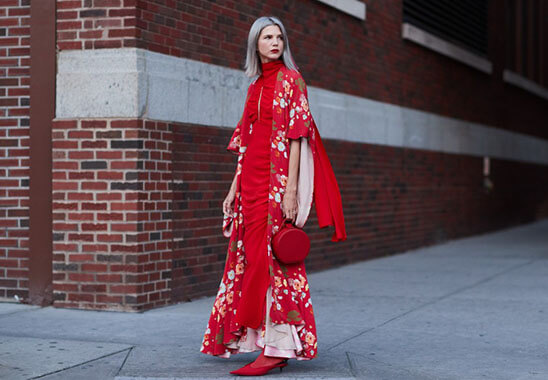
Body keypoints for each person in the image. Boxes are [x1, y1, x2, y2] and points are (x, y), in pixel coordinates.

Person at [200, 16, 346, 376]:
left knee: (274, 262)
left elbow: (298, 137)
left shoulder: (292, 81)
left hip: (277, 183)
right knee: (250, 263)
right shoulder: (255, 87)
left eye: (279, 36)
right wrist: (233, 188)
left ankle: (278, 347)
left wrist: (292, 190)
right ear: (256, 45)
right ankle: (258, 341)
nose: (275, 42)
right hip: (249, 183)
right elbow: (245, 143)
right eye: (267, 37)